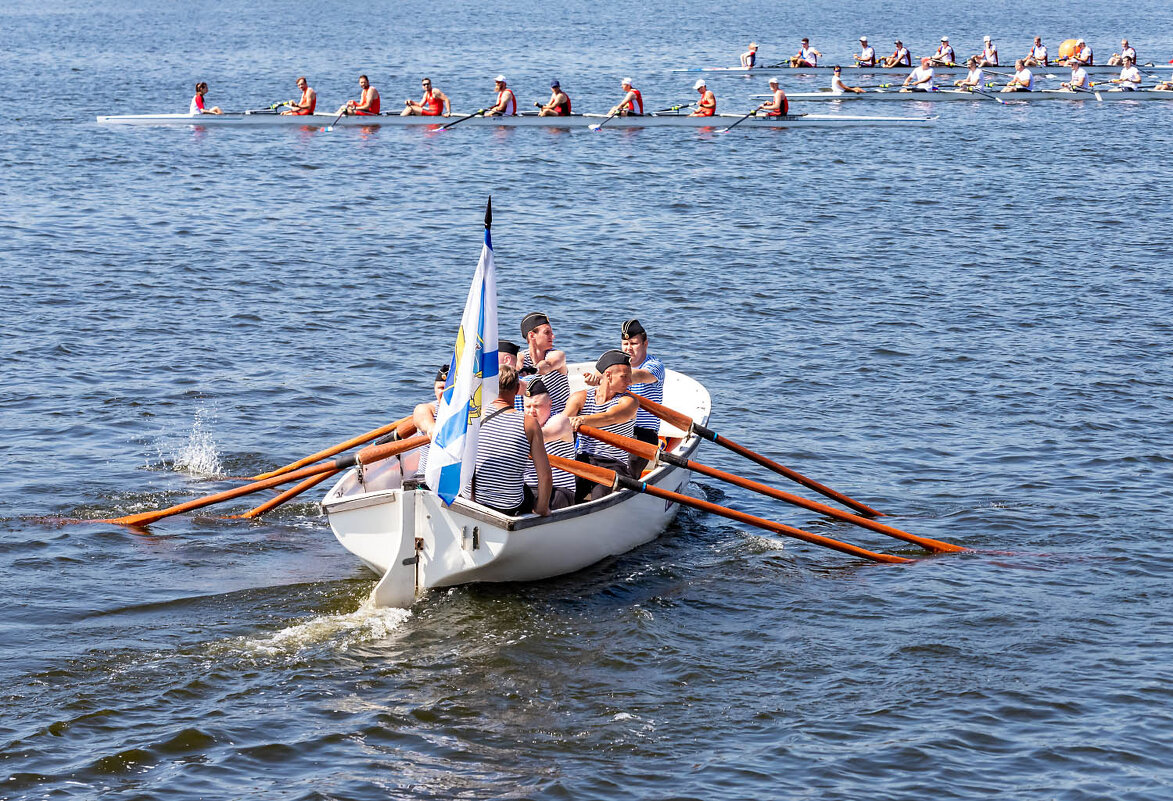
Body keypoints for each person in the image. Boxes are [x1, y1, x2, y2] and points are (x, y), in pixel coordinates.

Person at [464, 366, 550, 516]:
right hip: (508, 507)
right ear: (517, 389)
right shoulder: (528, 423)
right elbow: (545, 476)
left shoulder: (473, 416)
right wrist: (541, 509)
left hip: (471, 501)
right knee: (528, 492)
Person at [566, 350, 639, 502]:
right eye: (624, 377)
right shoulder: (580, 398)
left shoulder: (629, 402)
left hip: (614, 464)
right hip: (584, 459)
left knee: (600, 497)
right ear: (608, 375)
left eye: (629, 377)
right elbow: (562, 422)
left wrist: (582, 420)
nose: (629, 381)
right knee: (567, 491)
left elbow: (610, 417)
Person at [521, 378, 577, 510]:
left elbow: (543, 435)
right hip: (527, 487)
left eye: (537, 406)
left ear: (550, 404)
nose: (531, 411)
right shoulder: (522, 424)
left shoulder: (560, 421)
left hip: (559, 488)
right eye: (528, 407)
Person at [518, 312, 571, 415]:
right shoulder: (521, 357)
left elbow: (547, 365)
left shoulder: (557, 355)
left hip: (559, 417)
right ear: (532, 335)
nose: (553, 336)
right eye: (547, 332)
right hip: (532, 416)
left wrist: (535, 370)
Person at [412, 364, 449, 481]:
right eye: (441, 388)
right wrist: (432, 428)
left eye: (448, 388)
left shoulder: (467, 412)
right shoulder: (428, 409)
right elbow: (420, 414)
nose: (444, 392)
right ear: (434, 389)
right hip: (426, 478)